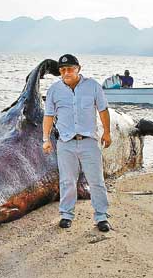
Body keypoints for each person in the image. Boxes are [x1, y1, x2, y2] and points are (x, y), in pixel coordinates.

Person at [42, 54, 112, 232]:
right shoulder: (54, 91)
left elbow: (103, 109)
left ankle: (101, 216)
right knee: (67, 181)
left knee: (96, 181)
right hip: (65, 143)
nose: (67, 72)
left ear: (78, 69)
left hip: (89, 141)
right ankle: (66, 215)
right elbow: (49, 116)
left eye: (70, 69)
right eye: (63, 70)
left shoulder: (93, 86)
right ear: (60, 72)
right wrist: (46, 139)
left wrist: (107, 132)